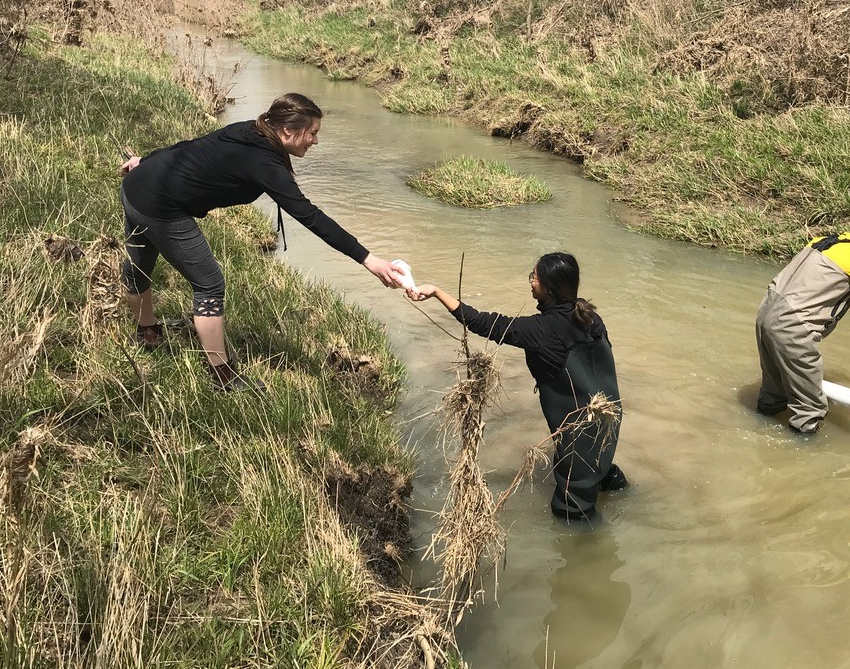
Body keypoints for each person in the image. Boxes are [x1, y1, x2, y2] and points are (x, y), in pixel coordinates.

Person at [120, 92, 405, 390]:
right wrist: (369, 260)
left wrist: (145, 160)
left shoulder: (250, 128)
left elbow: (190, 147)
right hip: (161, 207)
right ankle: (223, 376)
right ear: (287, 131)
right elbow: (311, 217)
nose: (315, 141)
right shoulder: (264, 162)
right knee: (209, 285)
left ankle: (147, 333)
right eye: (312, 133)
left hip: (136, 187)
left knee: (139, 268)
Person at [408, 252, 627, 521]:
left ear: (549, 287)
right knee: (600, 468)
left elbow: (481, 323)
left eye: (533, 277)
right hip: (609, 420)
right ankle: (618, 490)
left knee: (571, 512)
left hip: (578, 431)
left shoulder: (541, 330)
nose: (530, 282)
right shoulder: (590, 315)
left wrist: (438, 293)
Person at [755, 222, 850, 435]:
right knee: (810, 408)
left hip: (765, 315)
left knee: (774, 393)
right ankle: (802, 460)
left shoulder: (822, 241)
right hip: (792, 327)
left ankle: (757, 427)